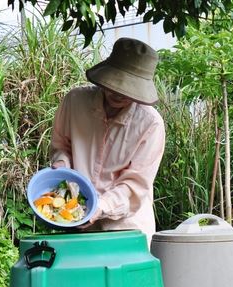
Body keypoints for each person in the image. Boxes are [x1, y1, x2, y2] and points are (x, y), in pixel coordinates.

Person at [50, 37, 165, 245]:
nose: (118, 94)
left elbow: (135, 184)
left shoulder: (151, 123)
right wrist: (61, 166)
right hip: (74, 218)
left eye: (127, 90)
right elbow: (61, 146)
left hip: (126, 226)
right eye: (114, 84)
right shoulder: (75, 101)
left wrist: (99, 206)